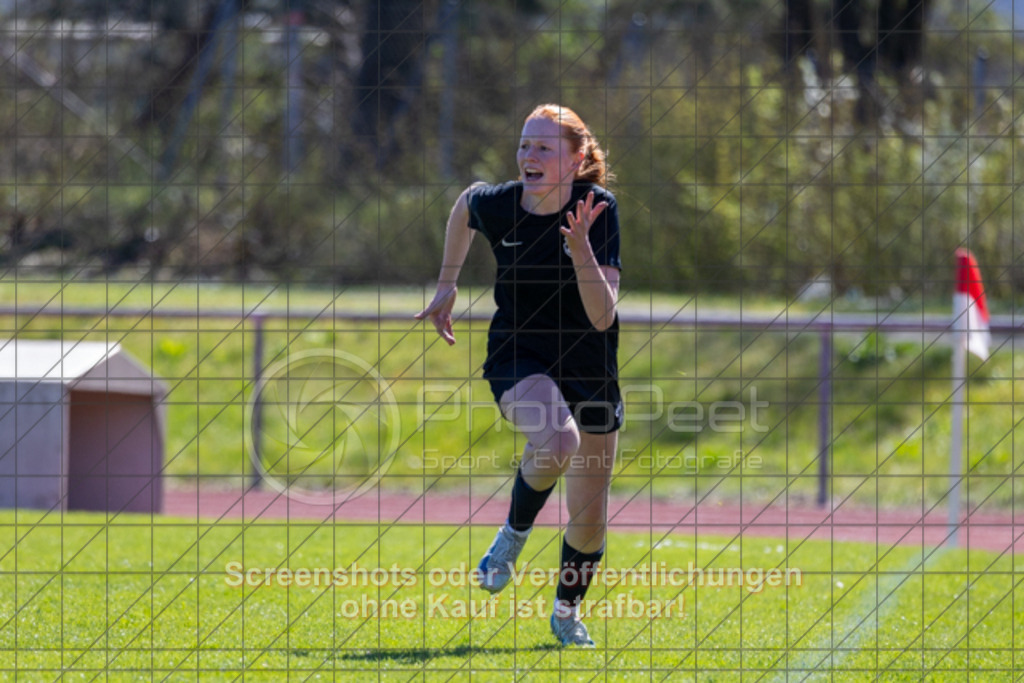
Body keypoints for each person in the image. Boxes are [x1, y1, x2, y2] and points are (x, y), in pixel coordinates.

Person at [416, 104, 623, 648]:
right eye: (524, 145)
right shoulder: (501, 203)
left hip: (589, 364)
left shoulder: (598, 209)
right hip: (518, 352)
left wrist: (580, 250)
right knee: (557, 440)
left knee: (589, 519)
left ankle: (565, 613)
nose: (528, 157)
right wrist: (447, 282)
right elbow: (464, 204)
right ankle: (511, 537)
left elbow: (603, 316)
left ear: (577, 161)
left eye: (543, 148)